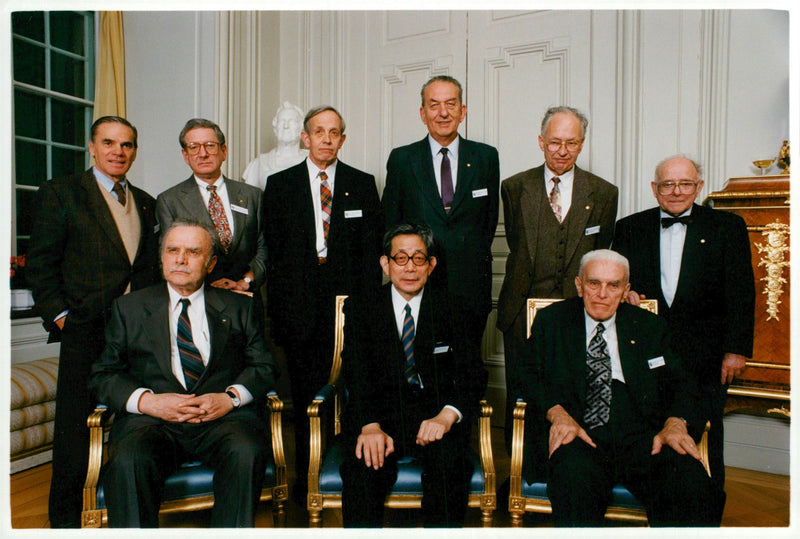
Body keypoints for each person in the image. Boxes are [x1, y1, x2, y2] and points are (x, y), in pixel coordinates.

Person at [89, 219, 278, 527]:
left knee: (247, 451)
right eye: (172, 250)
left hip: (222, 420)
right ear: (162, 256)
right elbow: (103, 374)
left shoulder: (239, 307)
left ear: (211, 262)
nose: (180, 259)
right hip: (153, 422)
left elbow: (264, 367)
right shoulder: (130, 308)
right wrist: (148, 402)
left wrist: (230, 398)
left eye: (193, 251)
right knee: (128, 460)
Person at [519, 249, 722, 526]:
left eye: (613, 285)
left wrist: (676, 422)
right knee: (573, 480)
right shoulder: (552, 321)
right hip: (579, 432)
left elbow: (685, 383)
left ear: (625, 290)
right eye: (594, 283)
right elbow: (528, 374)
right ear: (579, 285)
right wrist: (557, 413)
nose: (602, 293)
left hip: (642, 436)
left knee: (687, 479)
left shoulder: (650, 327)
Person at [25, 116, 161, 528]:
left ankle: (124, 513)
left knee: (134, 423)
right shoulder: (62, 193)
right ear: (92, 147)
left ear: (135, 151)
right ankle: (64, 524)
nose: (118, 151)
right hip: (84, 331)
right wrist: (63, 318)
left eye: (127, 145)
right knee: (74, 433)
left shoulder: (146, 201)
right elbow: (40, 266)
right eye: (109, 143)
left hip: (135, 334)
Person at [612, 155, 755, 491]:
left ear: (699, 187)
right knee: (651, 425)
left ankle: (707, 506)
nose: (676, 191)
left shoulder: (728, 227)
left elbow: (742, 293)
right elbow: (616, 282)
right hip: (649, 352)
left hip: (708, 355)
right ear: (654, 188)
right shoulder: (629, 227)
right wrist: (625, 294)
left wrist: (736, 350)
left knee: (706, 429)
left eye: (685, 184)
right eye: (667, 184)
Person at [262, 105, 382, 499]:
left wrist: (364, 309)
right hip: (299, 307)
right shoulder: (279, 185)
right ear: (305, 137)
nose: (327, 139)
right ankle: (306, 479)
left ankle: (348, 471)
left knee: (351, 390)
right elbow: (275, 256)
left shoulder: (362, 184)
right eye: (319, 131)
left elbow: (370, 253)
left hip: (350, 306)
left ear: (343, 139)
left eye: (335, 133)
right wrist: (280, 313)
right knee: (304, 394)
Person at [339, 223, 488, 527]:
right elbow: (355, 372)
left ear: (431, 265)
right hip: (379, 416)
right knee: (363, 470)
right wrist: (369, 425)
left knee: (449, 470)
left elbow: (474, 374)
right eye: (401, 258)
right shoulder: (362, 308)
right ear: (386, 263)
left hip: (436, 418)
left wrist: (447, 417)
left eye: (419, 259)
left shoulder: (455, 307)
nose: (410, 268)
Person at [497, 105, 618, 451]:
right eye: (554, 143)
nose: (562, 151)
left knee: (570, 390)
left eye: (571, 143)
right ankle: (520, 469)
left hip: (577, 309)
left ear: (582, 144)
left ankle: (569, 467)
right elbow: (519, 247)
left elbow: (600, 252)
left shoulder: (604, 193)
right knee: (522, 390)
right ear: (540, 141)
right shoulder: (514, 187)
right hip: (521, 307)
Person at [382, 75, 499, 349]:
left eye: (451, 104)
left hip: (471, 286)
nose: (443, 112)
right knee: (422, 365)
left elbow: (488, 222)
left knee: (467, 365)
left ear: (463, 111)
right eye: (434, 105)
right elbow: (391, 222)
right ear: (423, 114)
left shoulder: (485, 157)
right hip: (419, 284)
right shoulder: (402, 159)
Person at [157, 118, 266, 296]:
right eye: (194, 147)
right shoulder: (170, 201)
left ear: (223, 151)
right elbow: (168, 257)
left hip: (244, 298)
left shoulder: (252, 195)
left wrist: (245, 282)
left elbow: (263, 247)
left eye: (210, 145)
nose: (203, 153)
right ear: (185, 156)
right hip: (198, 299)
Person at [242, 101, 309, 188]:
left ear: (301, 127)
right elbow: (249, 197)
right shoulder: (260, 163)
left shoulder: (312, 160)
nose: (286, 126)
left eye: (291, 121)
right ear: (275, 128)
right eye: (282, 121)